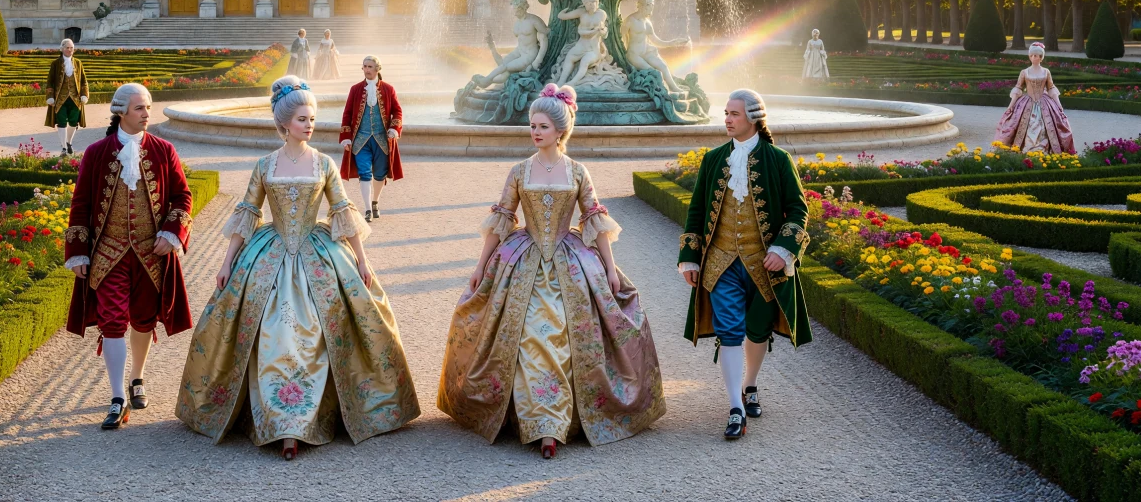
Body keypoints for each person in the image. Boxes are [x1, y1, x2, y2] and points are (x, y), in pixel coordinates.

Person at [176, 76, 419, 460]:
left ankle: (314, 415)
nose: (310, 125)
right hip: (268, 253)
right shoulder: (264, 165)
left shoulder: (323, 164)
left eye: (312, 118)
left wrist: (362, 259)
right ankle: (279, 420)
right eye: (304, 119)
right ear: (286, 123)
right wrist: (226, 264)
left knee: (332, 325)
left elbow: (342, 211)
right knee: (274, 332)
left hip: (318, 253)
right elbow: (248, 214)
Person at [439, 84, 664, 459]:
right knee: (528, 336)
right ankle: (542, 422)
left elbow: (595, 220)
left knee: (563, 332)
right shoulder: (519, 170)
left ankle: (555, 423)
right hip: (522, 259)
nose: (535, 131)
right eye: (532, 125)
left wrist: (610, 270)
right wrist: (480, 269)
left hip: (571, 263)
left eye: (542, 126)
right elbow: (502, 220)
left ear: (561, 130)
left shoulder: (577, 172)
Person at [678, 89, 812, 441]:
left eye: (733, 114)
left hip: (763, 265)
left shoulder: (779, 160)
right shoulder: (713, 159)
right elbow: (696, 211)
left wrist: (783, 249)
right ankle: (735, 406)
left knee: (758, 329)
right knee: (730, 330)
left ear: (753, 118)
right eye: (725, 113)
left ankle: (750, 384)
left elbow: (798, 210)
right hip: (720, 263)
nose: (727, 119)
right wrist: (690, 256)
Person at [64, 83, 194, 430]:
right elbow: (81, 205)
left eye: (148, 107)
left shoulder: (165, 151)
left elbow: (183, 197)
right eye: (140, 108)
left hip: (152, 252)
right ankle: (118, 396)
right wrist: (77, 251)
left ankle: (137, 377)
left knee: (143, 320)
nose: (147, 114)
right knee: (112, 320)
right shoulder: (95, 153)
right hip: (109, 252)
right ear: (121, 111)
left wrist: (172, 232)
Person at [339, 56, 403, 222]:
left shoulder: (389, 89)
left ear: (377, 69)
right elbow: (347, 114)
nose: (366, 69)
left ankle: (375, 201)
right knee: (364, 173)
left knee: (380, 174)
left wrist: (394, 129)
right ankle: (367, 209)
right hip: (361, 140)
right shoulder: (355, 89)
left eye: (370, 66)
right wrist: (346, 137)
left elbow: (397, 112)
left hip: (381, 140)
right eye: (364, 66)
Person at [994, 42, 1075, 154]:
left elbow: (1051, 88)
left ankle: (1043, 150)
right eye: (1031, 55)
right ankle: (1026, 149)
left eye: (1036, 55)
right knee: (1024, 125)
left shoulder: (1046, 72)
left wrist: (1059, 105)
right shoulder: (1024, 72)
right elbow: (1018, 89)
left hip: (1044, 103)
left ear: (1041, 57)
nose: (1033, 57)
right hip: (1027, 102)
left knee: (1045, 127)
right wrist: (1010, 106)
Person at [474, 0, 549, 88]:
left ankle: (486, 81)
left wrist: (539, 59)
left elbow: (546, 35)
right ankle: (486, 82)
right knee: (504, 69)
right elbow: (500, 64)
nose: (513, 12)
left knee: (505, 67)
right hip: (519, 51)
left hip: (529, 54)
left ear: (521, 7)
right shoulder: (517, 23)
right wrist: (492, 46)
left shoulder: (534, 20)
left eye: (514, 9)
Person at [623, 0, 692, 92]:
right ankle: (659, 91)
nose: (651, 11)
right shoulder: (630, 20)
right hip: (634, 54)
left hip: (646, 51)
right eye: (650, 8)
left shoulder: (647, 23)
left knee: (663, 67)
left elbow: (656, 41)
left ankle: (673, 87)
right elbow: (620, 37)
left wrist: (672, 43)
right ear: (643, 6)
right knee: (653, 71)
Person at [554, 0, 610, 88]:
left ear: (598, 3)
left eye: (594, 2)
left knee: (585, 61)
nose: (592, 4)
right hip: (581, 45)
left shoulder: (601, 14)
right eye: (589, 3)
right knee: (569, 57)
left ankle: (573, 82)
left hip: (593, 48)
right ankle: (561, 80)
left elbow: (604, 30)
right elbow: (562, 16)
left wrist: (603, 31)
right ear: (584, 4)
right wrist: (564, 10)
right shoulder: (581, 12)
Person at [45, 38, 89, 156]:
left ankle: (68, 142)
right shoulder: (55, 64)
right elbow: (50, 82)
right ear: (62, 49)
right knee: (61, 122)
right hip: (60, 99)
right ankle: (64, 147)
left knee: (74, 122)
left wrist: (84, 94)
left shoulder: (78, 63)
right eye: (67, 48)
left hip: (75, 99)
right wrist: (50, 96)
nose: (69, 50)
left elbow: (84, 81)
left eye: (71, 48)